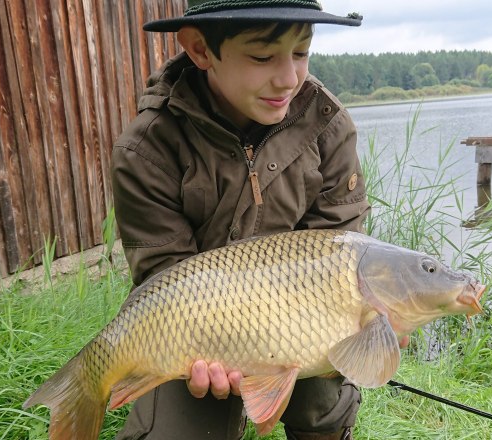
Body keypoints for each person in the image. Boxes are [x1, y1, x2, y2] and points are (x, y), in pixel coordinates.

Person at [111, 1, 405, 438]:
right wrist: (211, 349)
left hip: (306, 316)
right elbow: (163, 278)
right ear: (200, 50)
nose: (288, 78)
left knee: (324, 399)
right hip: (198, 324)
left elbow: (340, 255)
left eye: (301, 52)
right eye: (263, 56)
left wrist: (375, 321)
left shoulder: (327, 125)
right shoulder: (147, 149)